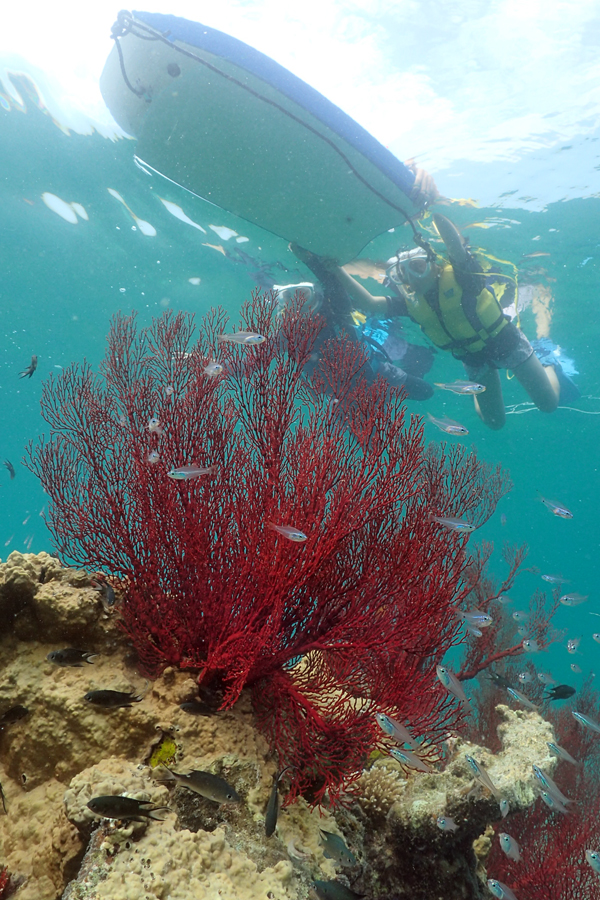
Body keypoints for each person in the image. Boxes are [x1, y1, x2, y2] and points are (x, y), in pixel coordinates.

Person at [303, 213, 561, 430]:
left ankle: (545, 356)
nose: (412, 276)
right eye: (402, 273)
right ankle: (488, 383)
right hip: (474, 359)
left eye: (417, 266)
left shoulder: (463, 278)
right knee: (494, 423)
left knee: (548, 405)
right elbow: (369, 303)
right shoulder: (412, 305)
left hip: (506, 343)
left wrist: (429, 211)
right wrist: (336, 269)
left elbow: (455, 245)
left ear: (434, 264)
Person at [274, 247, 435, 401]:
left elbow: (333, 284)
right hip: (342, 394)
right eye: (286, 298)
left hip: (378, 375)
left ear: (316, 297)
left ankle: (385, 392)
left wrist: (310, 260)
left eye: (303, 295)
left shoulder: (336, 312)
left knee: (425, 391)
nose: (297, 303)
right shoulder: (286, 332)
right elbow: (266, 350)